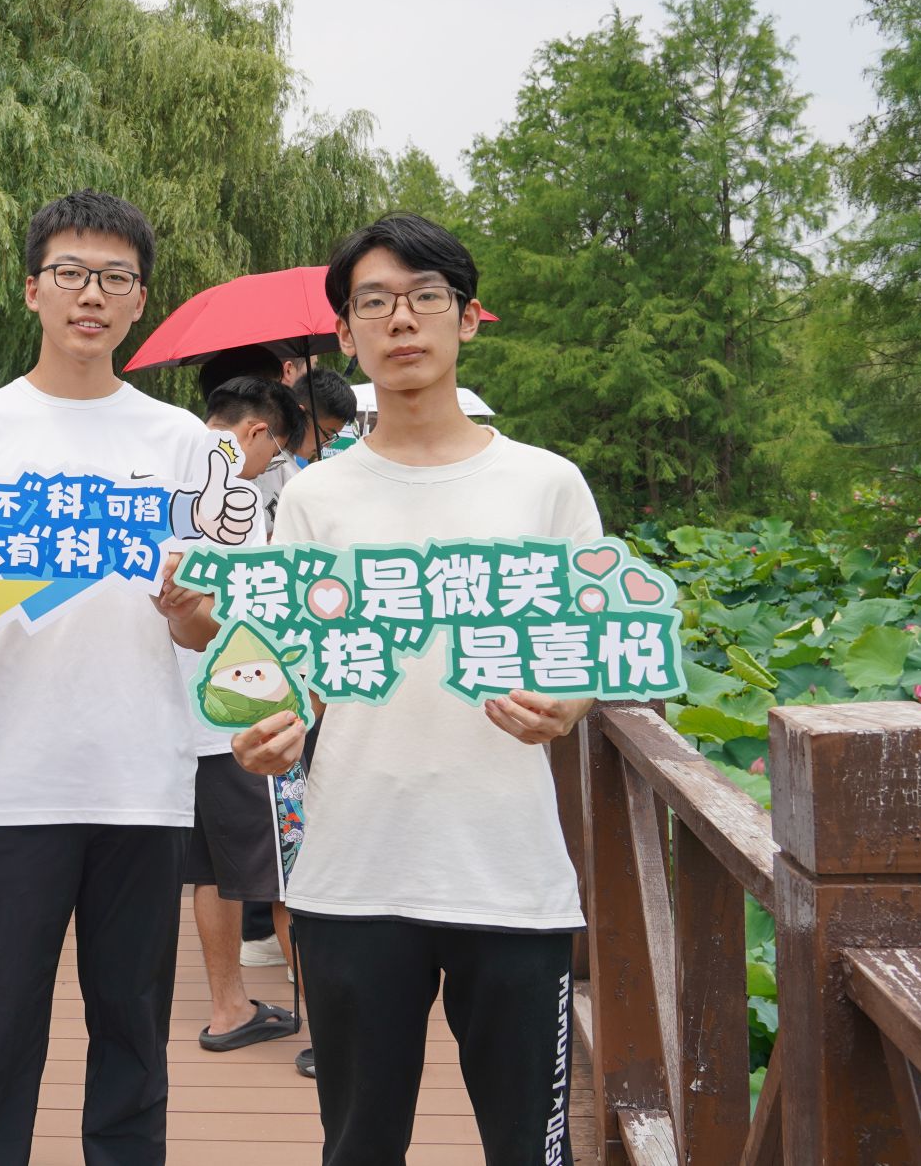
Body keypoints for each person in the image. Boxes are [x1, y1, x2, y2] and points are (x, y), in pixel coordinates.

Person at [231, 212, 600, 1166]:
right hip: (354, 870)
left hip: (510, 875)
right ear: (345, 332)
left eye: (426, 296)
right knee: (359, 1145)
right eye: (375, 302)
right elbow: (292, 669)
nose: (402, 319)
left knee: (532, 1150)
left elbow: (590, 647)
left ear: (467, 317)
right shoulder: (314, 498)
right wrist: (269, 726)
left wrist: (568, 703)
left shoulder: (547, 484)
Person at [0, 189, 253, 1166]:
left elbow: (214, 627)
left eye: (115, 278)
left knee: (132, 1042)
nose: (91, 295)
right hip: (4, 784)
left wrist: (188, 611)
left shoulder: (182, 445)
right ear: (32, 289)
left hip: (140, 782)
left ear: (140, 299)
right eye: (69, 273)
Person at [186, 376, 306, 1052]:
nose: (269, 466)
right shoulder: (237, 499)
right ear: (256, 431)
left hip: (179, 722)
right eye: (276, 451)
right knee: (288, 875)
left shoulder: (164, 474)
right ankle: (335, 1035)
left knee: (212, 872)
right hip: (242, 718)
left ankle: (229, 1008)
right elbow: (255, 613)